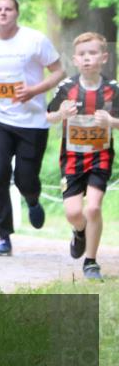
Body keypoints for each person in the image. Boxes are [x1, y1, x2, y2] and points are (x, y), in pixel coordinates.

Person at [0, 0, 64, 256]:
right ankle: (4, 237)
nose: (3, 13)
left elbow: (59, 71)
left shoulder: (35, 41)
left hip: (32, 122)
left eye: (8, 9)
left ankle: (32, 198)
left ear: (16, 13)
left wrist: (34, 90)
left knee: (26, 179)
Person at [46, 32, 119, 280]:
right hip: (72, 158)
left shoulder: (112, 89)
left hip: (100, 156)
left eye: (93, 53)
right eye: (82, 54)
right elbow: (48, 115)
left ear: (104, 57)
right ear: (75, 60)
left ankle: (91, 261)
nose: (87, 58)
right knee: (74, 213)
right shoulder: (67, 88)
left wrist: (111, 121)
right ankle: (79, 231)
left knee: (94, 207)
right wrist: (60, 115)